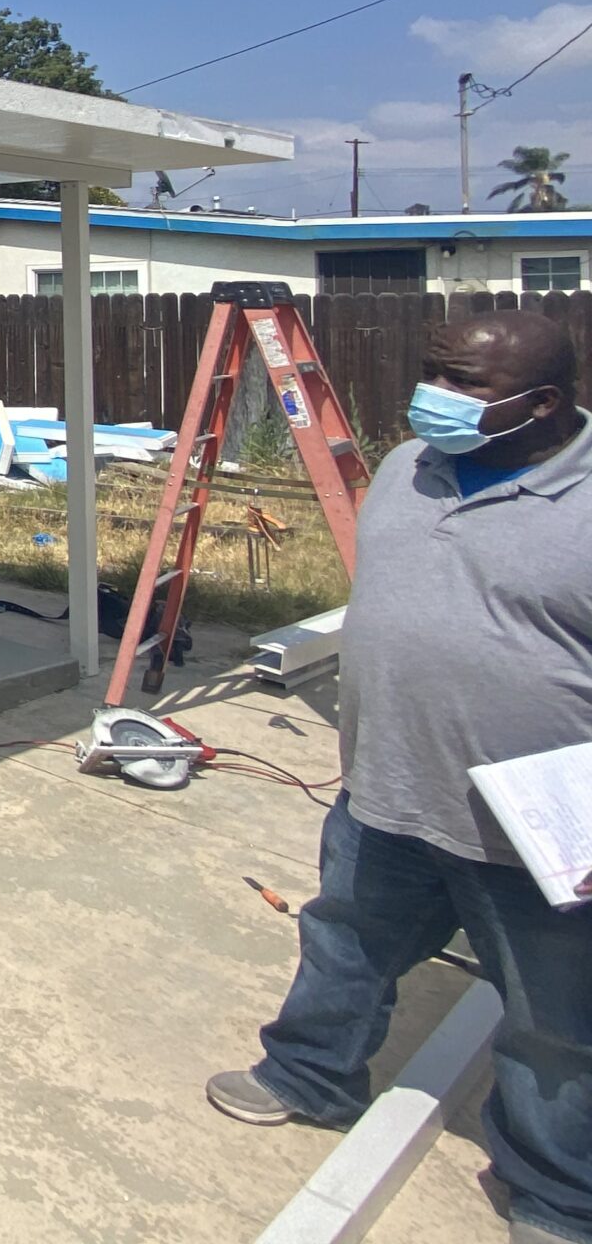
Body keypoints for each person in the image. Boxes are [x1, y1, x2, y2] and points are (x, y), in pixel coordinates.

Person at [207, 311, 591, 1244]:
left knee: (556, 1021)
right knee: (344, 941)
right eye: (432, 375)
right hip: (387, 786)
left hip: (539, 825)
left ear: (541, 403)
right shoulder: (409, 470)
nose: (435, 399)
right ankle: (309, 1076)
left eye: (463, 386)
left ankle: (556, 1194)